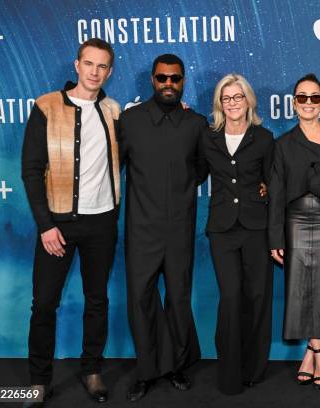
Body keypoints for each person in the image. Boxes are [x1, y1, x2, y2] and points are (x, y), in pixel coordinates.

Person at [21, 38, 120, 406]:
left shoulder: (113, 111)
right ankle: (38, 379)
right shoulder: (46, 106)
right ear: (76, 65)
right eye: (89, 63)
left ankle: (92, 369)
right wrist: (46, 225)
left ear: (109, 71)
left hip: (102, 223)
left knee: (97, 300)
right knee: (44, 303)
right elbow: (31, 171)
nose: (95, 71)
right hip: (58, 224)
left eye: (103, 66)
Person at [118, 54, 208, 402]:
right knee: (140, 301)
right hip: (140, 229)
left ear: (183, 80)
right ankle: (146, 370)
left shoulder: (195, 124)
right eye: (161, 78)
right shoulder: (129, 121)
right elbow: (114, 168)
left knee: (179, 298)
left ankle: (176, 366)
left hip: (179, 229)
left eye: (175, 78)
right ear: (152, 81)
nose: (168, 84)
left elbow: (201, 171)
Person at [268, 73, 320, 391]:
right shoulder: (283, 144)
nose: (307, 103)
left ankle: (314, 351)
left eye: (314, 97)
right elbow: (276, 193)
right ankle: (319, 352)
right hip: (297, 222)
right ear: (293, 103)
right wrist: (275, 237)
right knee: (302, 290)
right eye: (301, 97)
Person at [199, 73, 274, 395]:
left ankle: (254, 368)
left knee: (257, 297)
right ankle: (229, 372)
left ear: (248, 101)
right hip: (222, 230)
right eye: (226, 98)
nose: (232, 103)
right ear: (220, 103)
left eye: (237, 97)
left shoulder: (264, 138)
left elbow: (274, 183)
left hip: (256, 228)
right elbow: (193, 172)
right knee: (230, 298)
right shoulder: (207, 136)